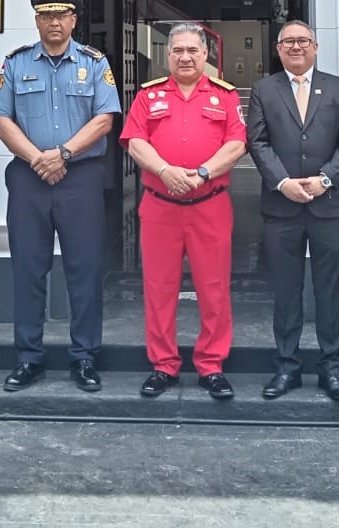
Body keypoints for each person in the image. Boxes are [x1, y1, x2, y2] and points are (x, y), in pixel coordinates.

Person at [0, 0, 120, 393]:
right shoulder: (15, 63)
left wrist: (62, 154)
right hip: (29, 178)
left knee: (84, 268)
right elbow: (2, 120)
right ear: (37, 20)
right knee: (28, 268)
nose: (54, 22)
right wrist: (38, 159)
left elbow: (104, 119)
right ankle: (28, 357)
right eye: (46, 15)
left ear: (73, 20)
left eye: (61, 15)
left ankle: (84, 356)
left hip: (80, 177)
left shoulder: (95, 63)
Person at [121, 24, 248, 401]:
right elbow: (134, 141)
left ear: (206, 54)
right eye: (178, 50)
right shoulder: (148, 95)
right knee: (159, 288)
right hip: (160, 206)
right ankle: (163, 364)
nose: (186, 57)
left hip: (210, 205)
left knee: (214, 288)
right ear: (168, 55)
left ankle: (211, 365)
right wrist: (165, 171)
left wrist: (203, 173)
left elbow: (237, 143)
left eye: (193, 50)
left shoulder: (224, 96)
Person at [246, 20, 339, 401]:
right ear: (278, 49)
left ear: (315, 46)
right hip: (282, 207)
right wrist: (283, 182)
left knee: (329, 290)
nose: (296, 47)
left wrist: (325, 179)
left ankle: (332, 369)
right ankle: (286, 367)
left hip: (328, 205)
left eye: (303, 41)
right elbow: (257, 141)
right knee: (286, 291)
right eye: (288, 42)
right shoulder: (264, 89)